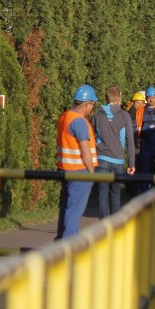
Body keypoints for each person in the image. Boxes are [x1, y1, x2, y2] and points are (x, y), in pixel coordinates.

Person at [56, 85, 98, 240]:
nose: (92, 108)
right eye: (92, 104)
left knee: (67, 207)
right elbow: (84, 149)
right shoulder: (79, 122)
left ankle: (61, 239)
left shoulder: (65, 116)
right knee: (74, 210)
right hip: (80, 171)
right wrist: (91, 171)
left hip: (65, 168)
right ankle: (69, 245)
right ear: (87, 104)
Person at [91, 86, 136, 217]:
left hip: (102, 158)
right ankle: (115, 225)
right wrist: (132, 163)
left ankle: (103, 224)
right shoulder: (125, 116)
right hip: (118, 160)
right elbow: (130, 141)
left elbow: (91, 136)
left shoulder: (97, 115)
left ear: (106, 98)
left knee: (102, 193)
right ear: (119, 98)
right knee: (115, 194)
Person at [134, 86, 155, 192]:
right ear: (146, 98)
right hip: (145, 144)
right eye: (149, 97)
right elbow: (136, 126)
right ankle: (144, 191)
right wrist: (137, 140)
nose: (151, 99)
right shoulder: (140, 110)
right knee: (144, 169)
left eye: (153, 97)